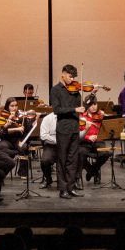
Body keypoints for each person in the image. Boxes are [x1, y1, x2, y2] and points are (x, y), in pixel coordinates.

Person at [50, 64, 83, 199]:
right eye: (70, 76)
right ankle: (62, 189)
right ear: (63, 74)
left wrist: (92, 94)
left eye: (73, 77)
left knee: (73, 160)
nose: (72, 79)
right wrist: (74, 110)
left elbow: (82, 106)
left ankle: (71, 187)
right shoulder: (55, 90)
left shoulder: (75, 90)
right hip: (63, 129)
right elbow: (56, 110)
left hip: (75, 128)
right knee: (62, 159)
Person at [79, 95, 111, 185]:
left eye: (95, 104)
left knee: (106, 153)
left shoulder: (100, 115)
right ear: (87, 106)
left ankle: (92, 171)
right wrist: (88, 137)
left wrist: (106, 117)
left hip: (98, 141)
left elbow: (110, 124)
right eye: (91, 105)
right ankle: (93, 171)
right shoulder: (81, 116)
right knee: (80, 153)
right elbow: (78, 132)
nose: (94, 107)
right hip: (85, 142)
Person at [38, 111, 58, 189]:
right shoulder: (47, 118)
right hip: (51, 145)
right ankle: (48, 179)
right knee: (45, 161)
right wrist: (57, 140)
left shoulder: (68, 118)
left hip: (65, 145)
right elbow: (43, 136)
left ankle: (69, 180)